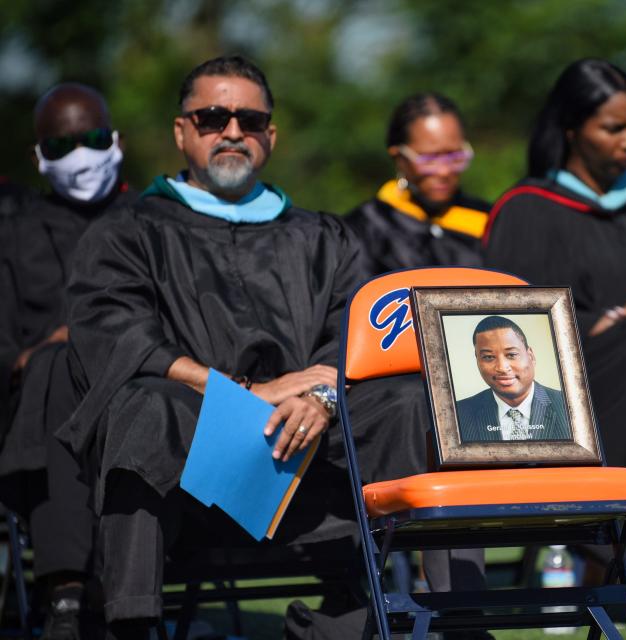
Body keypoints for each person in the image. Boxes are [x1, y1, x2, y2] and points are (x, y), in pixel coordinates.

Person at [58, 56, 477, 639]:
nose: (232, 131)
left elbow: (354, 335)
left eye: (249, 120)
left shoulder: (322, 237)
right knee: (144, 406)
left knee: (412, 400)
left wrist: (323, 396)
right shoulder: (129, 231)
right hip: (195, 457)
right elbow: (116, 333)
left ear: (270, 136)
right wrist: (243, 393)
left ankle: (455, 619)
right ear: (182, 131)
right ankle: (132, 624)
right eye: (212, 117)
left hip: (313, 449)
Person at [484, 58, 626, 571]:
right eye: (613, 128)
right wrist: (595, 323)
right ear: (572, 129)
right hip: (581, 388)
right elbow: (514, 325)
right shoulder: (527, 209)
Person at [0, 83, 136, 640]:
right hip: (38, 416)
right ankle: (69, 587)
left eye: (94, 139)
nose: (80, 157)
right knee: (58, 366)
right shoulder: (12, 233)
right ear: (38, 157)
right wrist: (44, 351)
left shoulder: (151, 222)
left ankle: (71, 590)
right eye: (60, 147)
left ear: (116, 142)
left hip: (137, 401)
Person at [345, 92, 489, 275]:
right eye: (429, 158)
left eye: (454, 156)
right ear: (399, 158)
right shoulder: (365, 228)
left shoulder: (487, 220)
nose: (444, 171)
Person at [456, 315, 571, 442]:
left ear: (531, 356)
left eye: (511, 355)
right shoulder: (458, 415)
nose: (502, 367)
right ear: (477, 360)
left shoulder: (569, 406)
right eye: (488, 357)